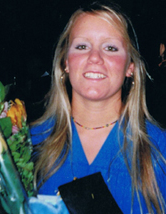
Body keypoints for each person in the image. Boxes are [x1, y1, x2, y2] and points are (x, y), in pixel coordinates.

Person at [30, 2, 166, 213]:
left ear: (130, 66)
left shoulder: (159, 149)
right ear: (66, 62)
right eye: (82, 46)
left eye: (110, 48)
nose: (94, 58)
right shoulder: (29, 144)